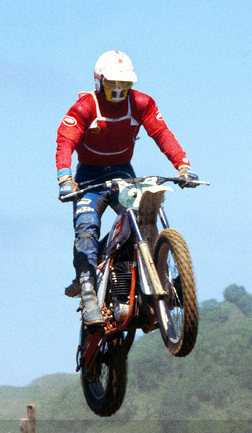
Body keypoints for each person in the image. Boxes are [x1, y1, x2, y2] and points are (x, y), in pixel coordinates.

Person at [56, 50, 197, 326]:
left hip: (124, 173)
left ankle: (160, 279)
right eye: (113, 84)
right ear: (100, 82)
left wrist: (183, 165)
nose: (119, 91)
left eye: (125, 84)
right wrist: (64, 178)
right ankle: (88, 296)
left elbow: (161, 133)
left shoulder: (142, 103)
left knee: (146, 214)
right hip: (88, 178)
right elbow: (65, 140)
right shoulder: (86, 107)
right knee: (86, 225)